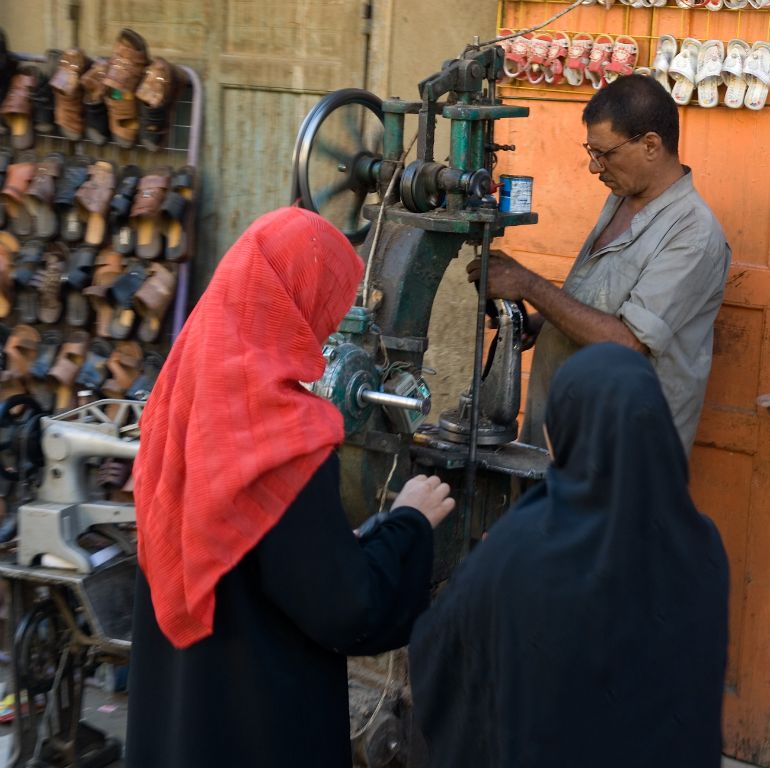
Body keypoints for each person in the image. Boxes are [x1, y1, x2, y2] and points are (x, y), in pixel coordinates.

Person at [125, 207, 455, 768]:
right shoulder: (282, 434)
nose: (328, 326)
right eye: (327, 303)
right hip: (254, 721)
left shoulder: (180, 397)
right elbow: (345, 607)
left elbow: (253, 545)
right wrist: (408, 523)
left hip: (183, 705)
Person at [408, 342, 729, 768]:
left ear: (560, 433)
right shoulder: (702, 545)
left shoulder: (521, 549)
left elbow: (440, 653)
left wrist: (480, 579)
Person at [468, 75, 731, 455]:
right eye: (591, 152)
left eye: (604, 154)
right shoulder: (624, 198)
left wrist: (527, 285)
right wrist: (545, 322)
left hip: (622, 462)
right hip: (562, 441)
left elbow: (627, 343)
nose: (595, 168)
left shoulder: (693, 234)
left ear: (651, 145)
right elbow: (606, 302)